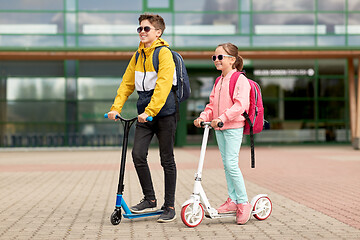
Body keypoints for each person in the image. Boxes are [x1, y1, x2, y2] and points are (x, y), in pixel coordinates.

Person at [107, 13, 177, 223]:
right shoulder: (137, 56)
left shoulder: (164, 54)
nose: (142, 32)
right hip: (144, 113)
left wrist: (151, 111)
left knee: (167, 159)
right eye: (139, 29)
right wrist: (115, 108)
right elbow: (127, 84)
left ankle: (170, 206)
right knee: (138, 155)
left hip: (164, 112)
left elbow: (164, 85)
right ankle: (150, 198)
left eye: (146, 29)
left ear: (158, 32)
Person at [193, 43, 252, 225]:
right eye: (214, 57)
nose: (216, 60)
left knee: (232, 164)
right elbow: (211, 105)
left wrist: (223, 118)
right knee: (227, 165)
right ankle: (232, 200)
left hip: (233, 127)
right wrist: (203, 116)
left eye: (220, 57)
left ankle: (243, 203)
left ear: (232, 60)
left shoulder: (239, 80)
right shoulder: (219, 81)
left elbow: (240, 104)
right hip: (219, 128)